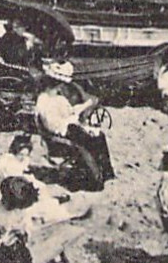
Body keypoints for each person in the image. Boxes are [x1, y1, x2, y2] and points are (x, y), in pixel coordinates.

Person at [34, 60, 114, 192]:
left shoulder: (56, 98)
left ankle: (106, 173)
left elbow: (69, 111)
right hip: (58, 135)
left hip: (66, 128)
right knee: (90, 140)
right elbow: (54, 125)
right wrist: (76, 118)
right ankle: (97, 178)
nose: (61, 87)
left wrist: (80, 110)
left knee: (98, 135)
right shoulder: (45, 101)